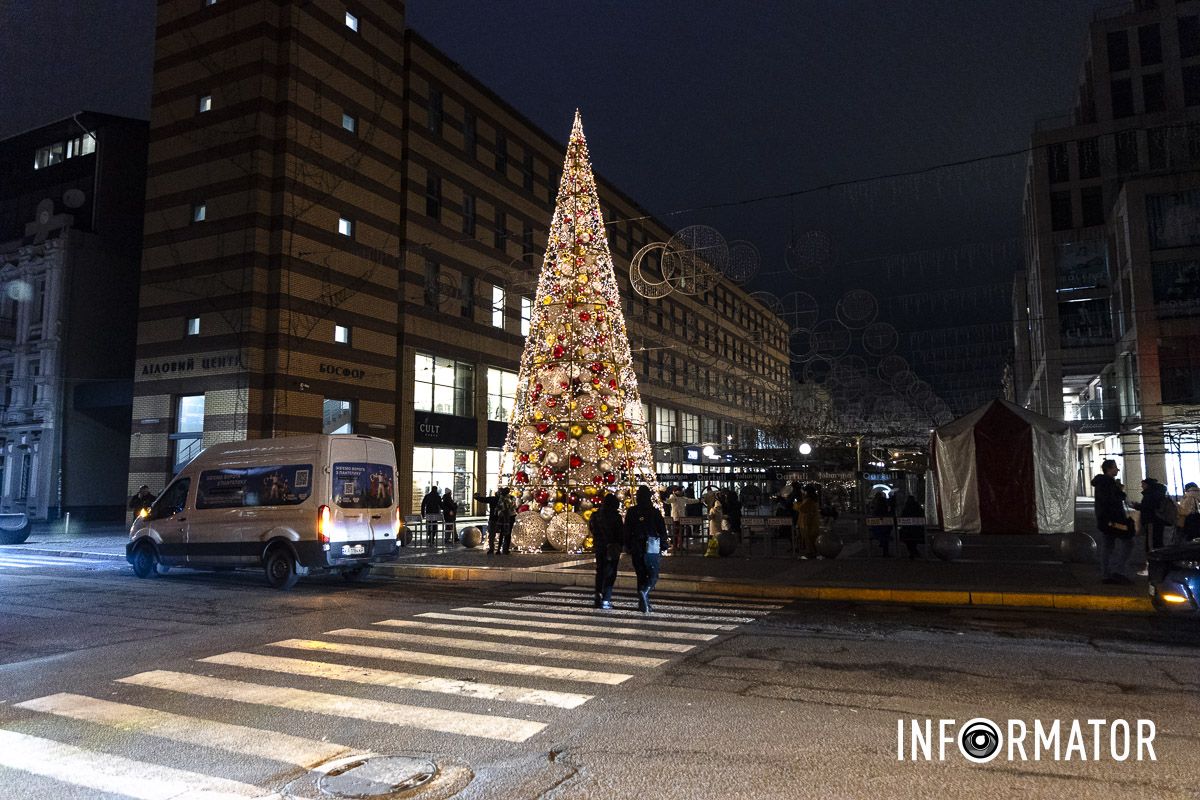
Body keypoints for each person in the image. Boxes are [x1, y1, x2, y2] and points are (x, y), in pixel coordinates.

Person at [625, 485, 668, 612]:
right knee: (653, 574)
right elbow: (662, 530)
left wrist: (627, 545)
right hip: (651, 545)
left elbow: (626, 530)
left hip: (636, 545)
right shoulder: (654, 512)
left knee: (641, 575)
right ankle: (645, 592)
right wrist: (664, 543)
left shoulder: (632, 511)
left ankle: (643, 602)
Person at [1093, 459, 1133, 584]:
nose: (1117, 469)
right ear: (1109, 469)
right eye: (1115, 467)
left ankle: (1107, 574)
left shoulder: (1102, 483)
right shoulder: (1108, 483)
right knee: (1128, 542)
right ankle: (1118, 571)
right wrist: (1120, 493)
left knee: (1108, 546)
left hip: (1105, 520)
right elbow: (1111, 500)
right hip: (1113, 520)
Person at [589, 493, 624, 609]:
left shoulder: (595, 515)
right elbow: (620, 532)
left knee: (600, 571)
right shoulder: (616, 517)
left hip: (599, 546)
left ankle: (597, 595)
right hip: (612, 547)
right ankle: (606, 599)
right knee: (610, 573)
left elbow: (592, 529)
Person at [1130, 477, 1168, 575]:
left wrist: (1136, 506)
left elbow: (1147, 507)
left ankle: (1151, 567)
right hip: (1158, 521)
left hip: (1152, 521)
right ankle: (1160, 565)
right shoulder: (1158, 493)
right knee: (1158, 542)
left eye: (1143, 484)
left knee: (1151, 544)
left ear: (1148, 485)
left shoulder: (1150, 494)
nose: (1141, 486)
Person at [793, 485, 820, 559]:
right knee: (809, 538)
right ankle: (812, 552)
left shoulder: (809, 500)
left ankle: (811, 552)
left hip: (807, 522)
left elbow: (802, 508)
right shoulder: (811, 500)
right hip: (808, 522)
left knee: (809, 537)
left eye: (805, 491)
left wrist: (796, 503)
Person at [899, 495, 925, 559]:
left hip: (907, 529)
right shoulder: (917, 507)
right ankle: (914, 552)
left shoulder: (906, 508)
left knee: (908, 541)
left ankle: (912, 552)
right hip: (916, 529)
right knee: (913, 541)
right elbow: (921, 515)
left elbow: (902, 517)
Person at [868, 491, 893, 557]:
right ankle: (886, 552)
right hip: (885, 528)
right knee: (885, 538)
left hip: (878, 528)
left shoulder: (875, 507)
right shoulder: (885, 509)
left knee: (882, 536)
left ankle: (882, 548)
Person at [493, 487, 516, 554]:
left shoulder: (504, 497)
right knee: (506, 533)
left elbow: (499, 507)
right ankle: (504, 549)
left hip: (505, 516)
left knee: (503, 533)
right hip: (508, 516)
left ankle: (501, 549)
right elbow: (513, 506)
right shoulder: (509, 497)